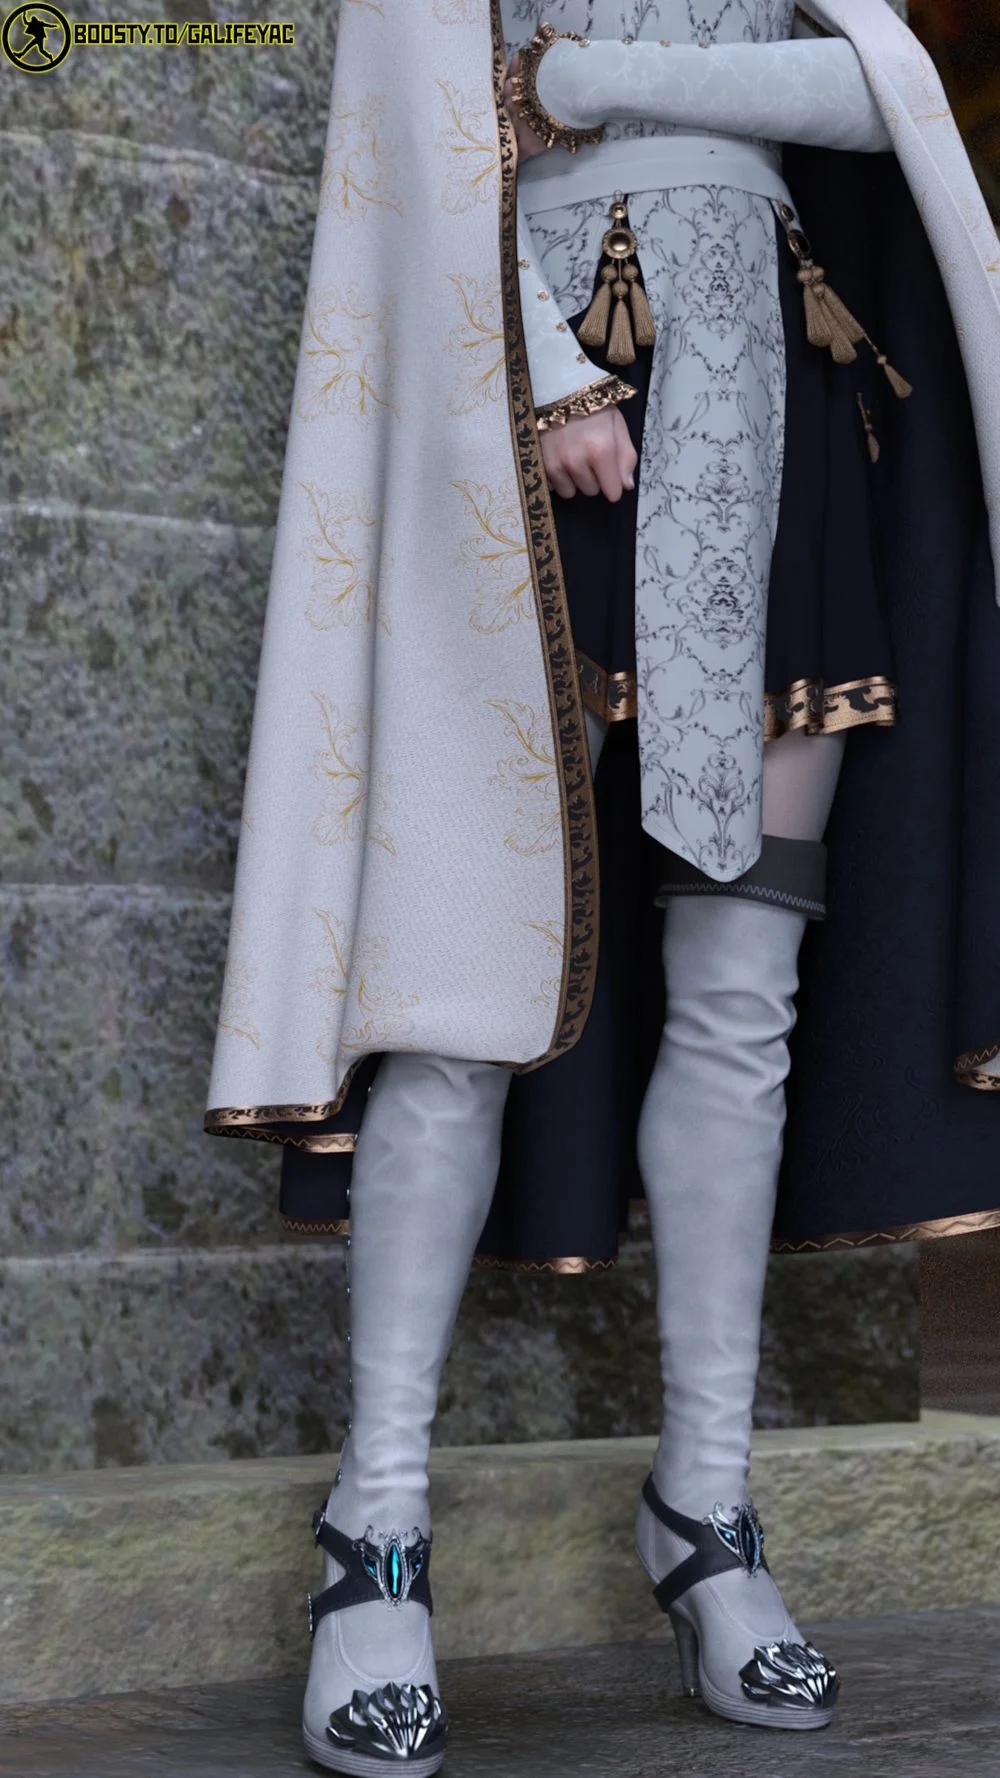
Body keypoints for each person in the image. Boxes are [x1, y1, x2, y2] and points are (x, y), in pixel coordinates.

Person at [205, 3, 1000, 1770]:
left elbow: (873, 91)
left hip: (778, 406)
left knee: (742, 991)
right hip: (520, 412)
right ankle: (375, 1526)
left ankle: (707, 1509)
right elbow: (417, 124)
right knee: (456, 979)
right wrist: (542, 361)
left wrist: (586, 79)